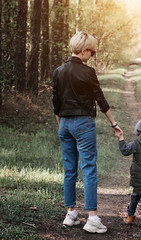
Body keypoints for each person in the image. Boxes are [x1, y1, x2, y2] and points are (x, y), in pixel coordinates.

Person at [52, 31, 121, 234]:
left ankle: (71, 214)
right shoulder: (88, 72)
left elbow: (55, 103)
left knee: (69, 169)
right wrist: (113, 123)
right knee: (89, 168)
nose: (92, 55)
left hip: (64, 124)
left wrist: (61, 124)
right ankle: (92, 218)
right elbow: (100, 99)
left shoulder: (58, 71)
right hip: (83, 124)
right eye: (92, 51)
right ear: (83, 51)